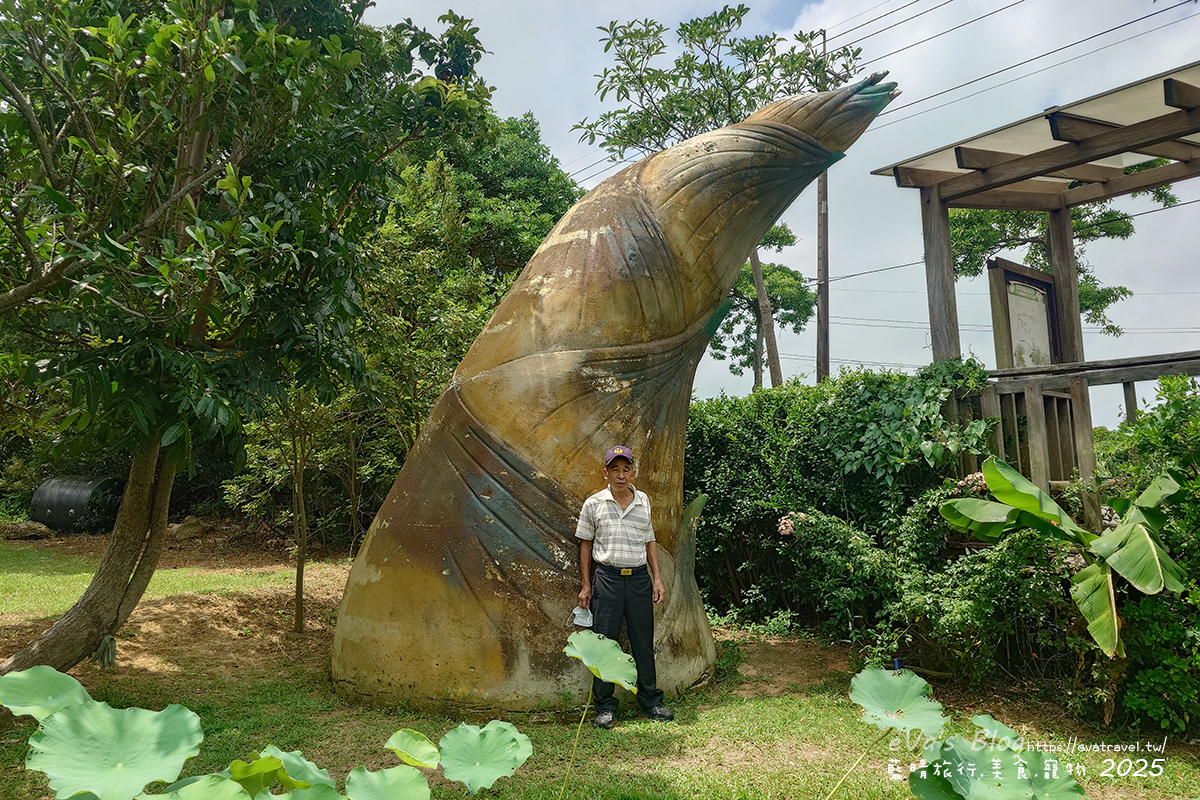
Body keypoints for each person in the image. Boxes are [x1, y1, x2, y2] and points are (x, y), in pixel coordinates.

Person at [575, 444, 674, 729]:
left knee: (642, 641)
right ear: (605, 473)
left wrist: (657, 578)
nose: (621, 475)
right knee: (604, 644)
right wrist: (586, 585)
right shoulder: (594, 504)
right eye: (615, 470)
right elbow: (585, 544)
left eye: (626, 469)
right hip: (607, 579)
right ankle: (605, 708)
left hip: (640, 579)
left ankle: (651, 702)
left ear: (633, 472)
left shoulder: (643, 501)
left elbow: (650, 540)